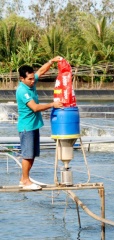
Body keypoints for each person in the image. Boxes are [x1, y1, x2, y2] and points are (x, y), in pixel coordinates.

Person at [16, 56, 63, 190]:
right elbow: (35, 107)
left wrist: (51, 61)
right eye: (29, 79)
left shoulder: (30, 82)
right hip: (26, 127)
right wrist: (53, 104)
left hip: (34, 125)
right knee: (27, 155)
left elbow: (41, 71)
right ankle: (25, 180)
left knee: (33, 154)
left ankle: (24, 178)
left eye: (32, 78)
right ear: (22, 79)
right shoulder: (22, 91)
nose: (32, 81)